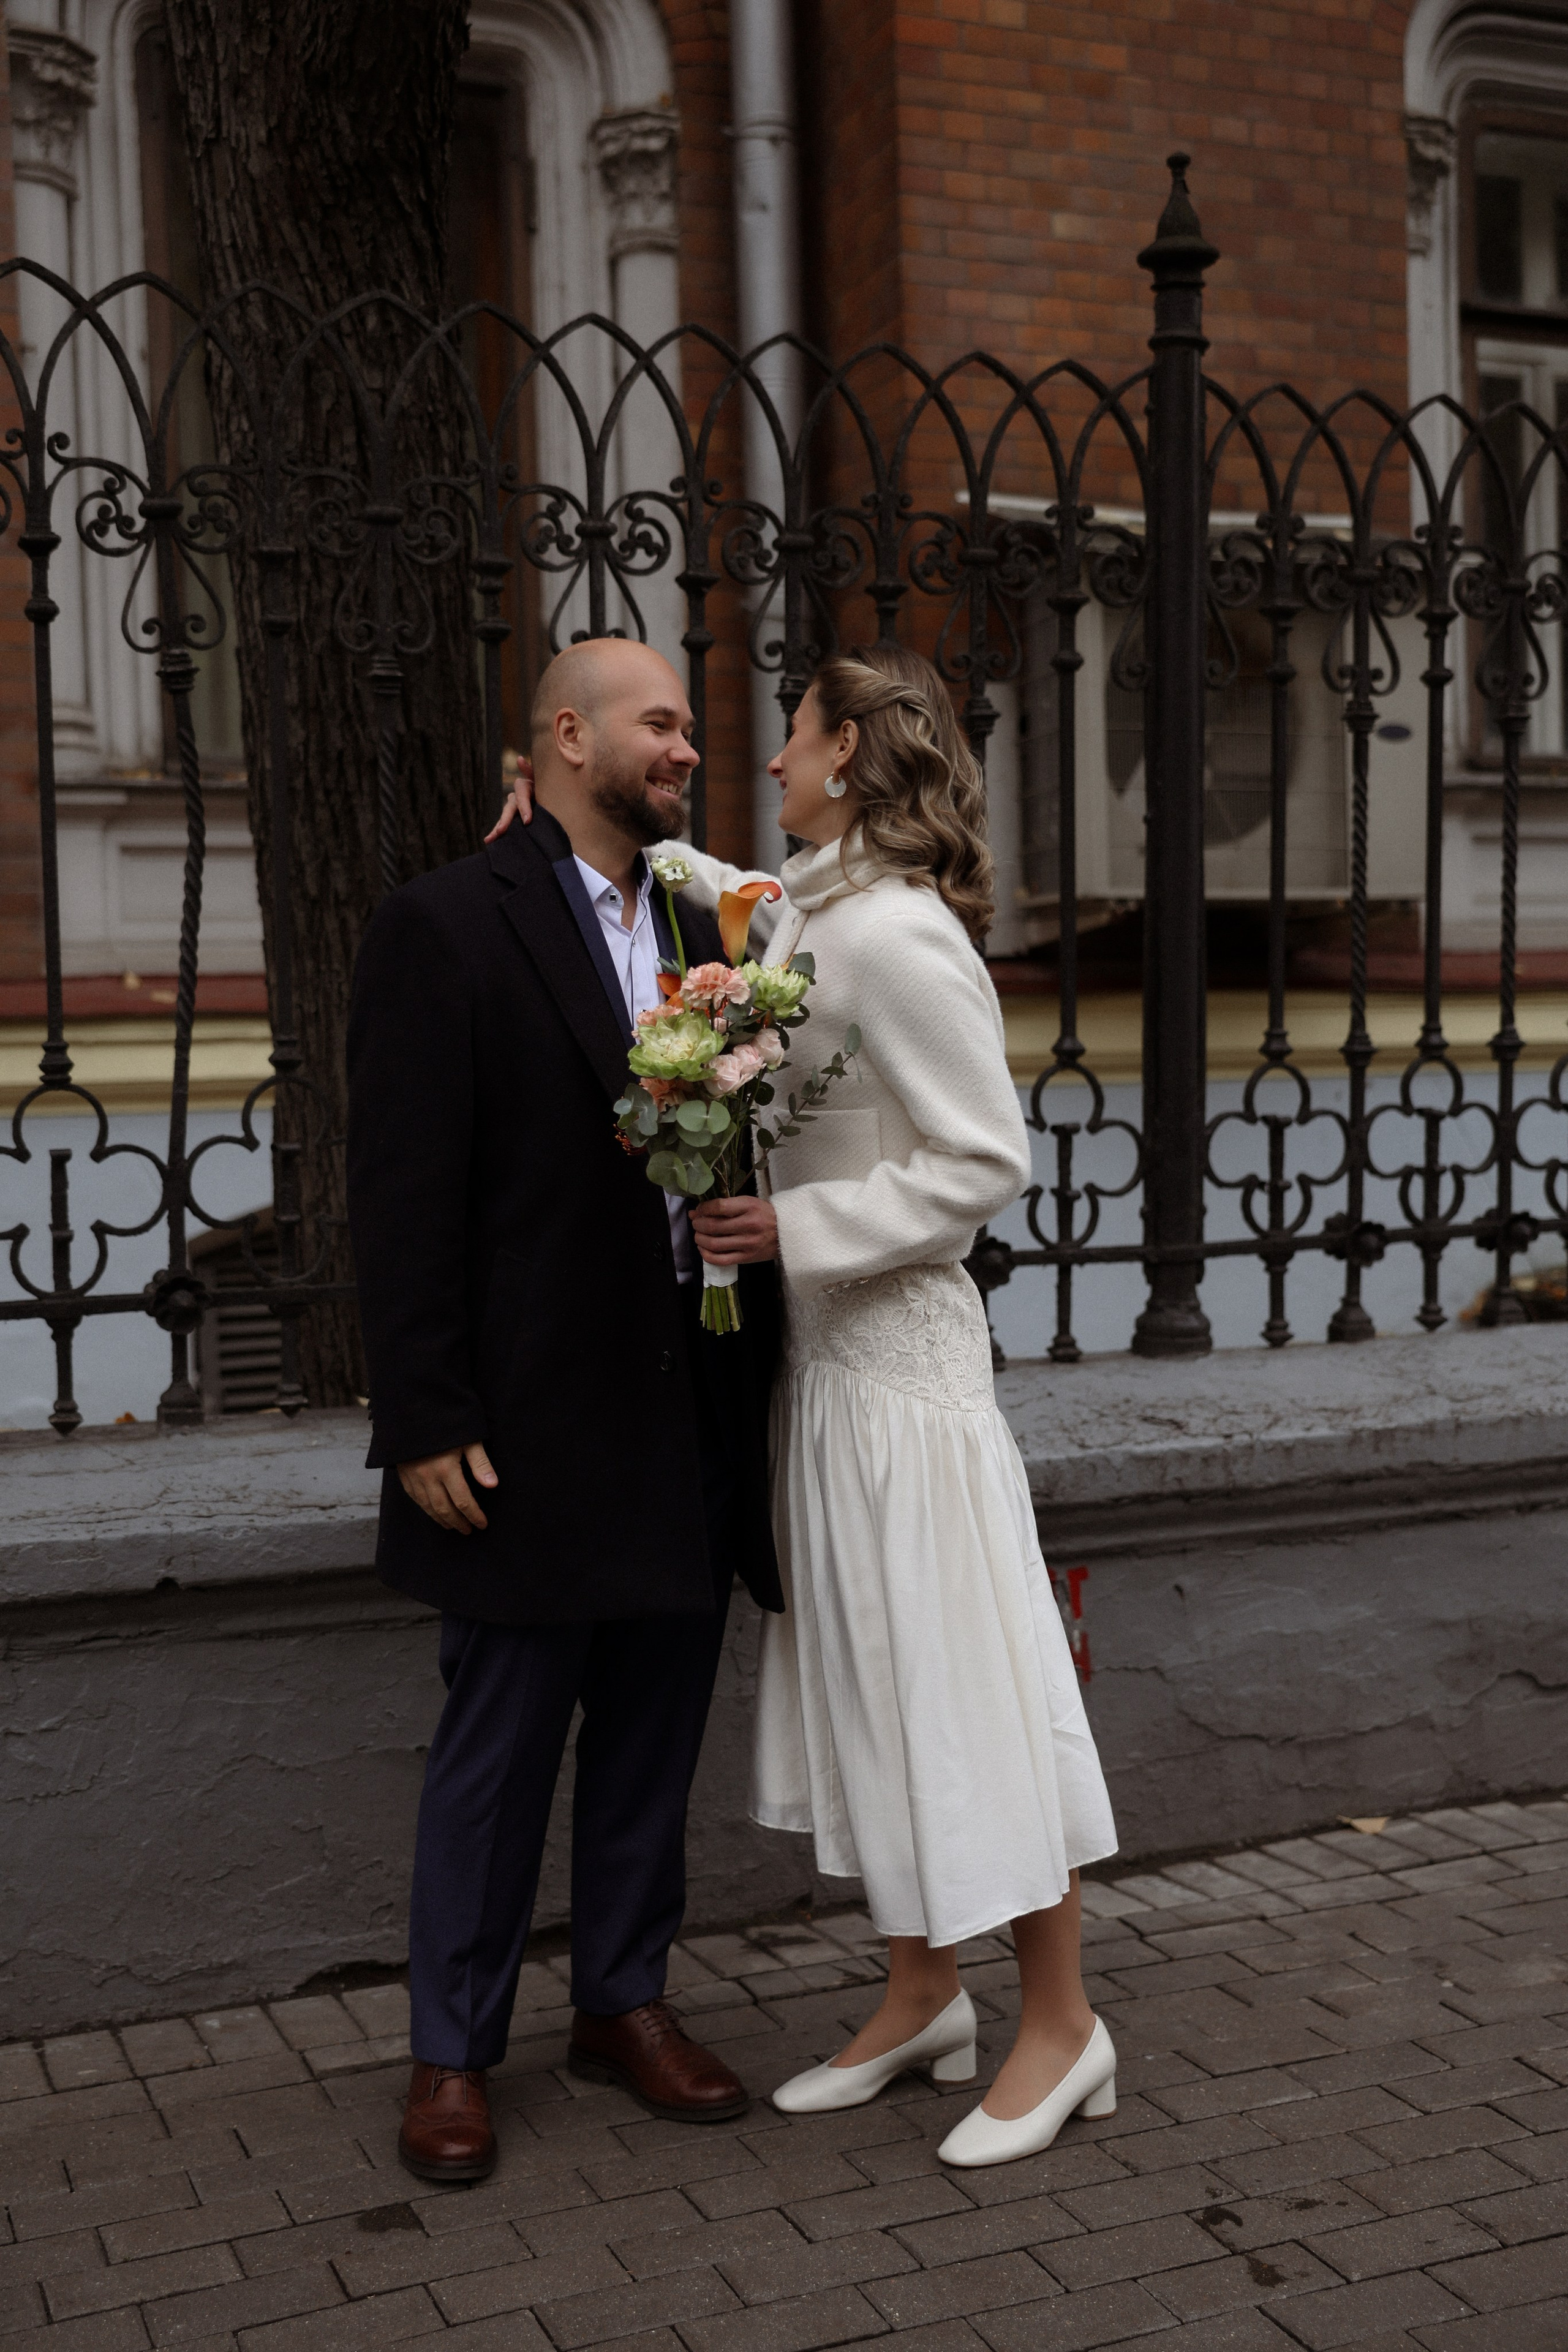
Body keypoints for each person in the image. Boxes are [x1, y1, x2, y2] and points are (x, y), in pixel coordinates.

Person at [492, 641, 1118, 2170]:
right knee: (870, 1688)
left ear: (846, 756)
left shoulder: (899, 938)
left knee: (960, 1682)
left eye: (788, 736)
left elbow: (984, 1163)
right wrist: (553, 798)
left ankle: (1061, 2024)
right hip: (823, 1373)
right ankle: (920, 1996)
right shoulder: (810, 916)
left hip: (905, 1371)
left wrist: (795, 1231)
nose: (762, 761)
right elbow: (720, 877)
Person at [345, 638, 783, 2187]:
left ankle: (623, 2001)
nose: (682, 746)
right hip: (522, 1423)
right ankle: (450, 2053)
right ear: (562, 733)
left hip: (685, 1404)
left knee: (654, 1737)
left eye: (685, 725)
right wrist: (420, 1413)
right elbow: (401, 1196)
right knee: (499, 1748)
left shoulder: (708, 919)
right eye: (656, 724)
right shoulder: (445, 923)